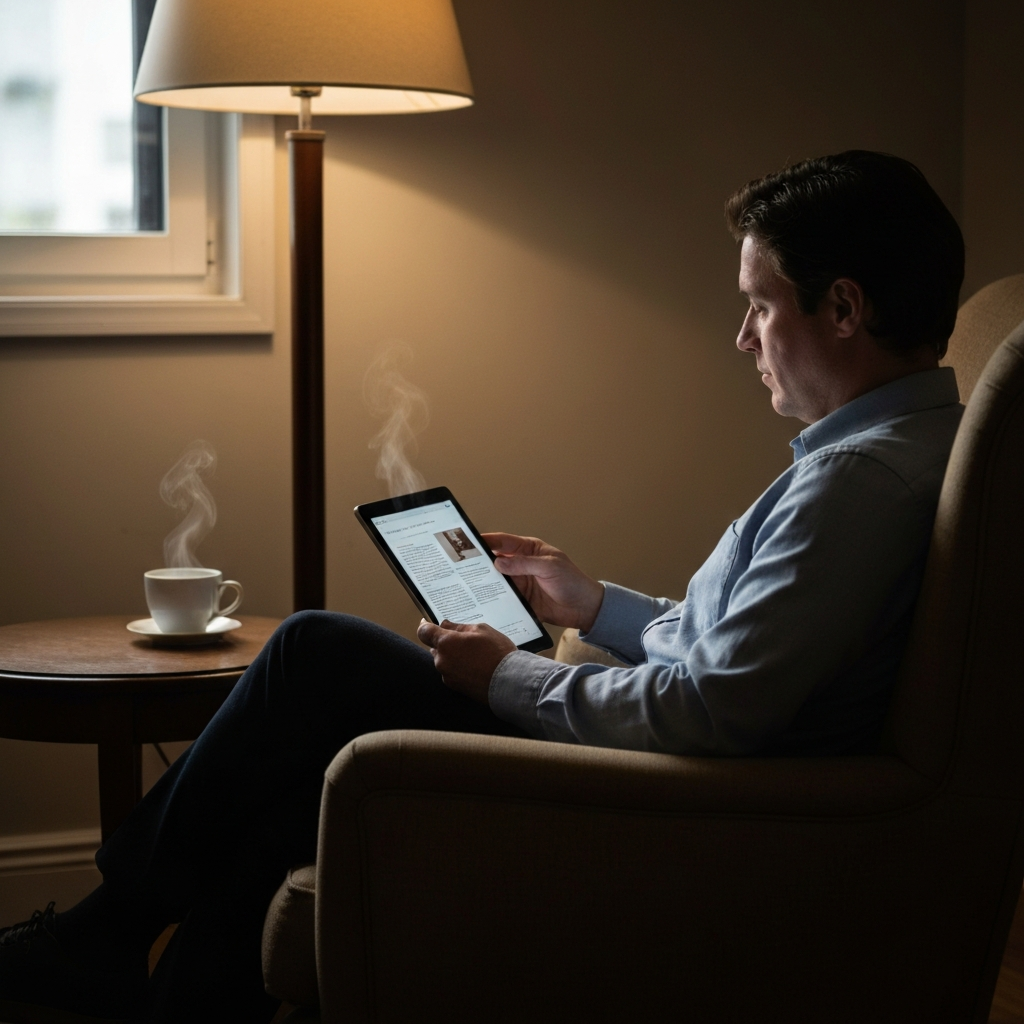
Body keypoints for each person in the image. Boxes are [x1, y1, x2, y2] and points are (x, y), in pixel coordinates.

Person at [0, 150, 966, 1023]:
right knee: (291, 793)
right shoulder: (895, 456)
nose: (743, 336)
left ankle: (98, 936)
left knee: (312, 653)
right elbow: (744, 652)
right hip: (686, 761)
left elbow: (712, 708)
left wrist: (505, 676)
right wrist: (592, 605)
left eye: (760, 304)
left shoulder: (857, 485)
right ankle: (152, 988)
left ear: (843, 308)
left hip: (682, 795)